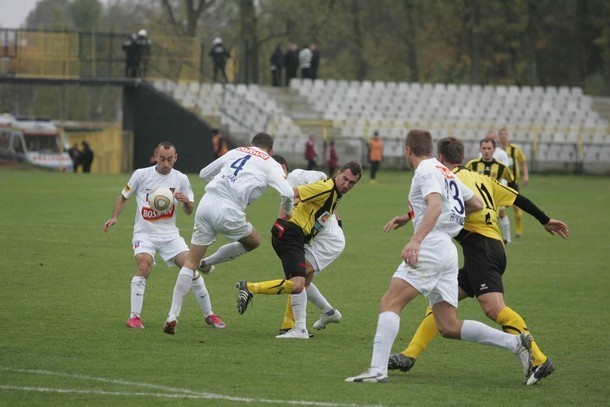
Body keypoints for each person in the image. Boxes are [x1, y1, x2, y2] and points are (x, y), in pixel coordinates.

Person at [345, 129, 533, 384]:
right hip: (448, 250)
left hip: (432, 245)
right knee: (447, 325)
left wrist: (416, 239)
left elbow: (434, 205)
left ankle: (377, 371)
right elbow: (477, 203)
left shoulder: (424, 170)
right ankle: (515, 342)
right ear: (431, 149)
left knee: (390, 303)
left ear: (407, 150)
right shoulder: (444, 171)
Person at [386, 136, 568, 386]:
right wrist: (545, 220)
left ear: (440, 158)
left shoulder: (448, 177)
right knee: (441, 300)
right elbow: (518, 199)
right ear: (463, 157)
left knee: (493, 308)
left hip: (481, 247)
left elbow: (438, 202)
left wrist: (409, 217)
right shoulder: (484, 179)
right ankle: (409, 354)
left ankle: (539, 358)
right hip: (491, 248)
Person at [163, 132, 294, 335]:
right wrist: (288, 211)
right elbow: (287, 193)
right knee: (254, 241)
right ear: (271, 150)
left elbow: (204, 173)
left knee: (190, 262)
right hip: (229, 209)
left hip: (206, 203)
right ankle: (209, 262)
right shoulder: (271, 163)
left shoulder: (237, 151)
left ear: (252, 144)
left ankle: (172, 315)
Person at [103, 142, 225, 330]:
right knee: (144, 265)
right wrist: (115, 217)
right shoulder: (141, 174)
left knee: (190, 268)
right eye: (162, 159)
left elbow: (188, 211)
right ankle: (134, 317)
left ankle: (209, 315)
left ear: (175, 158)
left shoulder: (181, 179)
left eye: (170, 159)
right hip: (144, 233)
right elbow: (123, 196)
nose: (166, 164)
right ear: (155, 156)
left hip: (170, 235)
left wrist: (186, 202)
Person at [235, 161, 362, 339]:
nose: (346, 184)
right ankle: (249, 288)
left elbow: (303, 202)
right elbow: (292, 193)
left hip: (294, 236)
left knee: (302, 281)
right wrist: (283, 215)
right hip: (290, 234)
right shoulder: (325, 187)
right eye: (345, 179)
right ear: (338, 173)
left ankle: (295, 327)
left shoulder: (335, 194)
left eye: (351, 183)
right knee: (297, 284)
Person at [272, 156, 345, 337]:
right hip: (314, 234)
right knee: (300, 277)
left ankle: (294, 326)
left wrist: (294, 206)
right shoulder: (282, 186)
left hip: (325, 238)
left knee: (296, 277)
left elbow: (320, 185)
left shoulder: (298, 176)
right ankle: (327, 313)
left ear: (281, 167)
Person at [467, 137, 514, 244]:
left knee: (493, 222)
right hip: (477, 199)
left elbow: (511, 180)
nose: (486, 151)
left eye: (489, 148)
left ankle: (503, 240)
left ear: (494, 150)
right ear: (480, 149)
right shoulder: (472, 165)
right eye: (484, 148)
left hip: (494, 200)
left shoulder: (501, 167)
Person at [498, 128, 529, 238]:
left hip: (513, 182)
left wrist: (525, 175)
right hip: (500, 182)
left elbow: (523, 162)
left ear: (508, 135)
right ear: (499, 136)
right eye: (501, 134)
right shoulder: (496, 150)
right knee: (498, 208)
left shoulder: (515, 149)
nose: (504, 136)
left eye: (505, 134)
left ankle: (518, 231)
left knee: (516, 206)